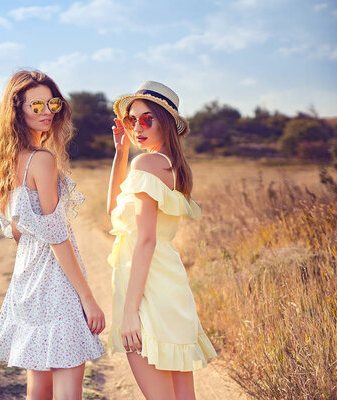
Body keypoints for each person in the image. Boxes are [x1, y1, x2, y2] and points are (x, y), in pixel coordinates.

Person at [0, 70, 106, 400]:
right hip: (54, 281)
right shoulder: (42, 159)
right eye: (35, 105)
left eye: (51, 102)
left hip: (26, 278)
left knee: (39, 385)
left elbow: (20, 232)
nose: (46, 111)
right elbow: (56, 235)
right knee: (68, 386)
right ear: (17, 108)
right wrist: (88, 298)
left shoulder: (6, 161)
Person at [106, 81, 217, 399]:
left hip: (149, 291)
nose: (136, 127)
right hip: (168, 285)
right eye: (131, 120)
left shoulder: (147, 165)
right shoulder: (170, 167)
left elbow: (145, 241)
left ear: (166, 123)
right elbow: (113, 212)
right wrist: (121, 152)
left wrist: (129, 313)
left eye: (146, 119)